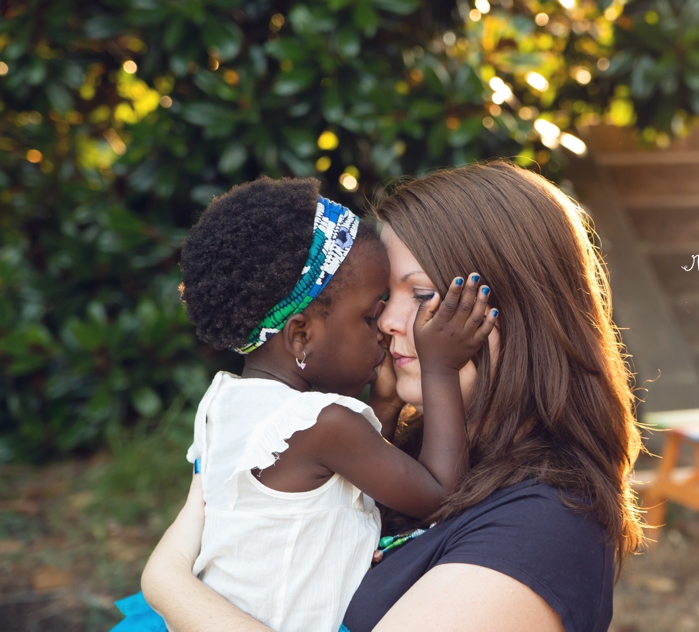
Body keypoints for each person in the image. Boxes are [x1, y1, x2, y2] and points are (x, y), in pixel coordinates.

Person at [140, 161, 644, 632]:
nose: (386, 322)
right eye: (382, 300)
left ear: (522, 312)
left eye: (421, 296)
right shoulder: (389, 445)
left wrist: (167, 583)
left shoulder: (542, 525)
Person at [115, 176, 496, 632]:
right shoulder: (322, 423)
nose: (385, 328)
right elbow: (437, 492)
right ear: (301, 336)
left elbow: (366, 481)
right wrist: (440, 369)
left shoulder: (223, 401)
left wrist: (384, 403)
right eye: (370, 315)